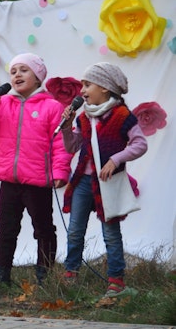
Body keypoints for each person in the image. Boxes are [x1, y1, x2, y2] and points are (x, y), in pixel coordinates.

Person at [0, 53, 72, 285]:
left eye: (23, 70)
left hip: (38, 181)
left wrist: (60, 172)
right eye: (13, 71)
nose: (17, 75)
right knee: (6, 228)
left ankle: (44, 275)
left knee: (43, 228)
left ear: (38, 78)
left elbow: (61, 145)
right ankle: (1, 274)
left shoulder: (52, 107)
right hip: (9, 180)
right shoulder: (3, 103)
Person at [60, 62, 147, 297]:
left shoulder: (122, 115)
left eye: (88, 85)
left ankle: (116, 280)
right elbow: (72, 146)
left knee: (110, 232)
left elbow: (140, 144)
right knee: (75, 230)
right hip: (83, 182)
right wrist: (68, 128)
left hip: (107, 183)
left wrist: (116, 159)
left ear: (106, 88)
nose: (82, 91)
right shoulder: (85, 116)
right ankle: (71, 273)